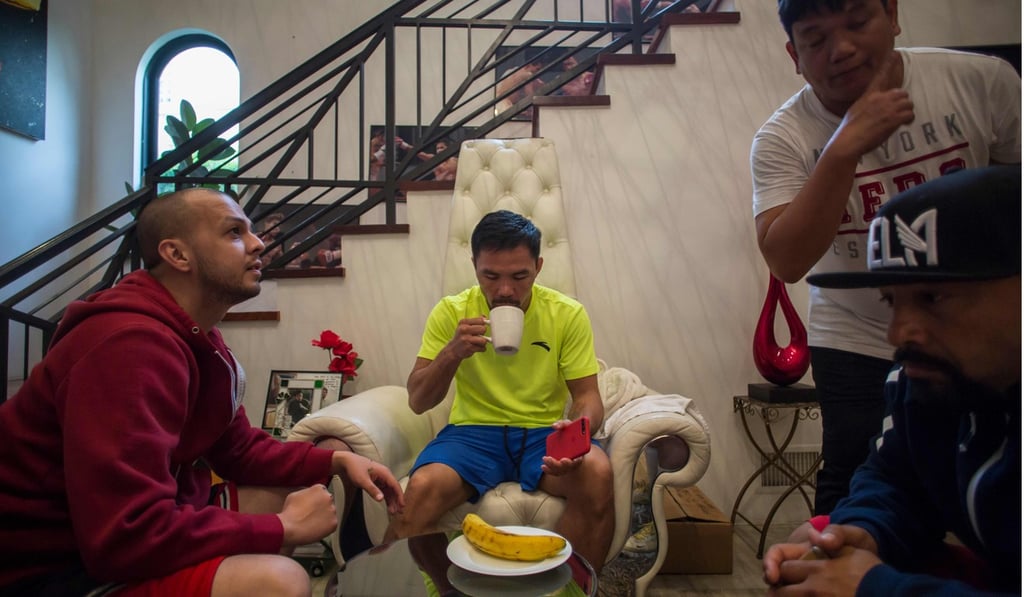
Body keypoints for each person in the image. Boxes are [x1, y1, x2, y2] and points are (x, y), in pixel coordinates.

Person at [0, 188, 404, 596]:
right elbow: (123, 536)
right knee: (279, 582)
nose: (258, 242)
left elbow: (240, 452)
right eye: (234, 232)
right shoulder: (127, 346)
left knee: (298, 489)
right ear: (177, 255)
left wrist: (335, 460)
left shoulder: (195, 334)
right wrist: (281, 527)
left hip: (124, 532)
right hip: (52, 569)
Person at [750, 0, 1020, 514]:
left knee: (990, 463)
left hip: (976, 325)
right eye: (816, 39)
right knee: (853, 476)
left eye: (857, 23)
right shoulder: (782, 137)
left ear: (892, 14)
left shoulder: (982, 82)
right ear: (795, 55)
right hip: (856, 333)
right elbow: (785, 260)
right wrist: (843, 147)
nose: (842, 49)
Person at [762, 164, 1021, 595]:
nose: (899, 334)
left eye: (933, 297)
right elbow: (895, 479)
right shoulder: (925, 380)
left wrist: (877, 586)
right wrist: (862, 532)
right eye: (891, 301)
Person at [385, 210, 614, 575]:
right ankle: (447, 591)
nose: (505, 290)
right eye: (490, 276)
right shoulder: (452, 312)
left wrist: (576, 438)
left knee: (597, 472)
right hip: (472, 434)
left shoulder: (566, 314)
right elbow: (418, 401)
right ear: (474, 265)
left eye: (519, 276)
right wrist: (452, 353)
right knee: (419, 490)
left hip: (541, 433)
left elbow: (587, 396)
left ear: (538, 267)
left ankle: (567, 590)